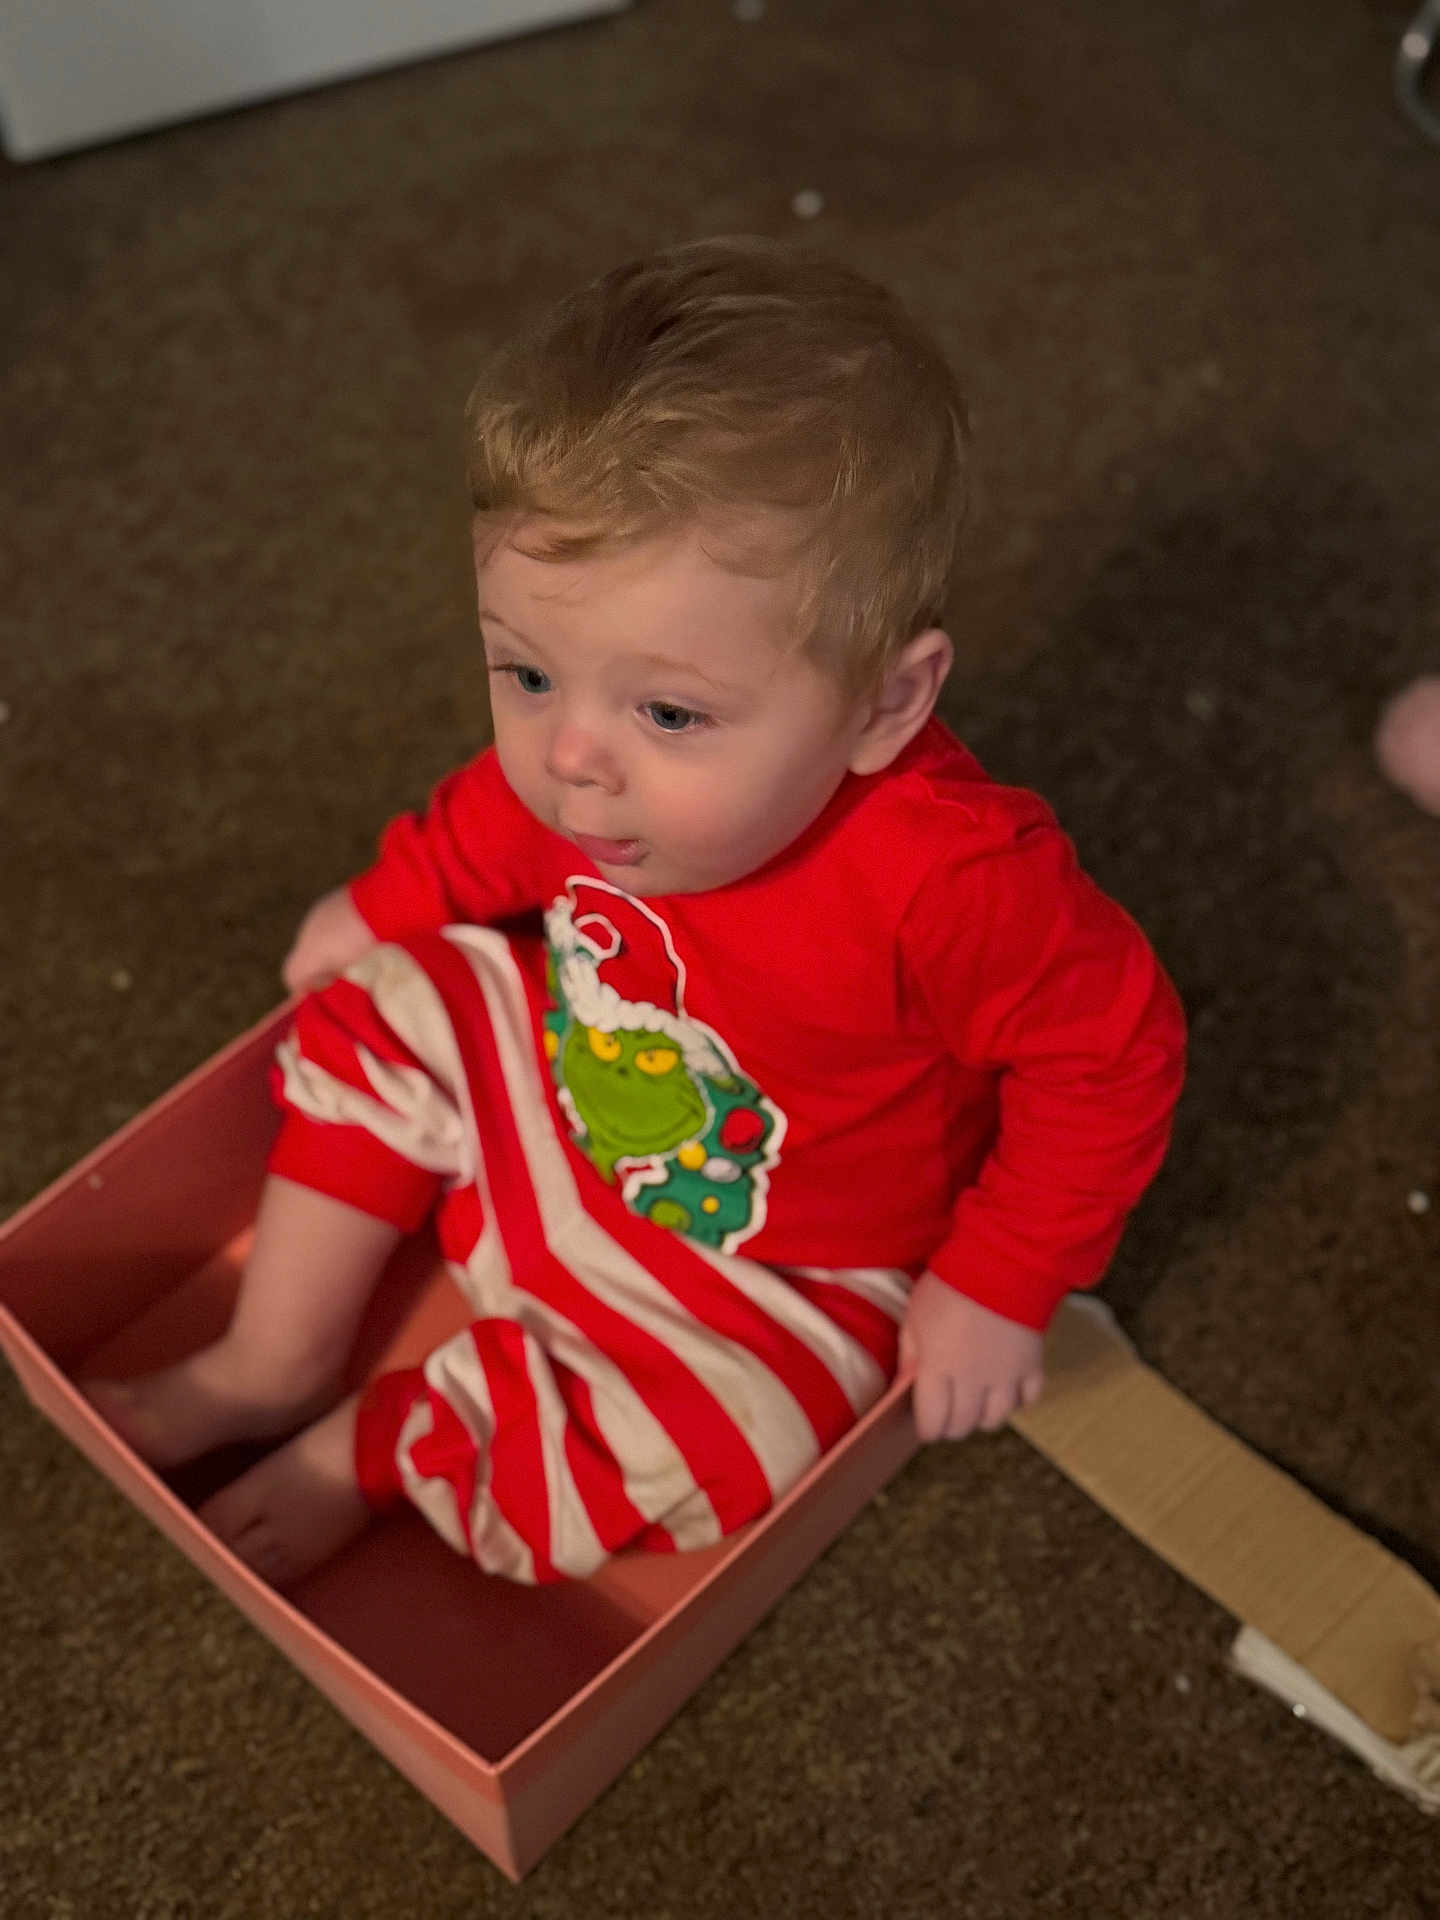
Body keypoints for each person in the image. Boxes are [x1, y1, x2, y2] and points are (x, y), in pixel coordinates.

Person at [83, 237, 1186, 1589]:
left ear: (886, 706)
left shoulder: (952, 879)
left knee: (735, 1449)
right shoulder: (583, 773)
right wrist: (393, 899)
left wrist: (1000, 1282)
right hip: (564, 1103)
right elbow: (495, 814)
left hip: (792, 1261)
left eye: (668, 711)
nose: (575, 759)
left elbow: (1110, 1054)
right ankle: (273, 1358)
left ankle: (391, 1436)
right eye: (527, 671)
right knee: (385, 999)